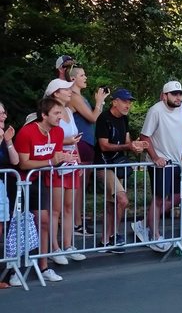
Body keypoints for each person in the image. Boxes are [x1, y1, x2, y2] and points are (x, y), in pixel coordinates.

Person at [14, 98, 79, 282]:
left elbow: (55, 158)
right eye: (57, 114)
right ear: (44, 115)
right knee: (19, 224)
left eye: (61, 113)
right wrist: (52, 161)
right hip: (19, 182)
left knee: (43, 221)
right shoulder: (27, 132)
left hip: (39, 181)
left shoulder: (57, 132)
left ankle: (44, 267)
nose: (61, 117)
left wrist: (66, 159)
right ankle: (16, 269)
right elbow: (23, 162)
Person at [133, 81, 182, 253]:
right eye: (174, 94)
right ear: (165, 95)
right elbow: (144, 136)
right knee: (159, 198)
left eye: (180, 94)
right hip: (160, 163)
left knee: (177, 198)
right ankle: (154, 235)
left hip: (176, 161)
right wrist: (155, 158)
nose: (178, 97)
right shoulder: (156, 110)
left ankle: (144, 223)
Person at [94, 88, 147, 252]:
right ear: (114, 101)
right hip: (104, 164)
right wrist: (128, 146)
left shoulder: (124, 119)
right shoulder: (103, 118)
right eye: (125, 101)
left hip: (118, 164)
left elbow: (127, 140)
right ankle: (113, 236)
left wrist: (135, 146)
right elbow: (103, 145)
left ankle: (105, 240)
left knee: (112, 204)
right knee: (122, 200)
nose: (128, 105)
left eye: (130, 101)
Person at [44, 79, 86, 264]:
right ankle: (55, 247)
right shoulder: (51, 113)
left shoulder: (68, 111)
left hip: (71, 165)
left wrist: (79, 161)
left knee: (69, 207)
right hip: (57, 164)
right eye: (66, 89)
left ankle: (68, 245)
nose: (70, 91)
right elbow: (49, 140)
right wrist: (69, 143)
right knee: (55, 209)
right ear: (55, 93)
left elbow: (74, 140)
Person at [67, 65, 108, 236]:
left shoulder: (80, 97)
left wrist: (100, 102)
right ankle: (76, 224)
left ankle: (78, 221)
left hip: (87, 142)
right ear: (73, 78)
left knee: (81, 186)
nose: (85, 78)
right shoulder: (74, 97)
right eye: (82, 75)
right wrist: (98, 102)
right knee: (78, 185)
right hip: (81, 142)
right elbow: (92, 117)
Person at [0, 102, 19, 288]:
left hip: (5, 186)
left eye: (4, 113)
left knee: (3, 230)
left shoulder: (5, 136)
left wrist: (8, 141)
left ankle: (3, 275)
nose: (3, 117)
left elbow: (15, 160)